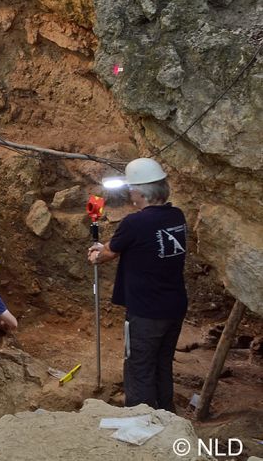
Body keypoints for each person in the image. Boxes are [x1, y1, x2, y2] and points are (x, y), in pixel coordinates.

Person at [88, 157, 187, 412]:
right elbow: (137, 245)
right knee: (162, 364)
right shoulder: (176, 216)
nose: (130, 191)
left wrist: (96, 255)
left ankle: (140, 423)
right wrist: (109, 248)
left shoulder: (135, 222)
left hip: (146, 312)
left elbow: (107, 254)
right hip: (174, 307)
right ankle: (166, 416)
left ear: (139, 192)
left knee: (139, 367)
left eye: (131, 187)